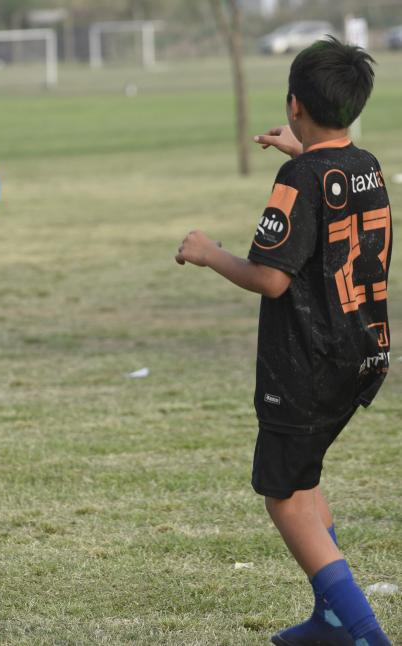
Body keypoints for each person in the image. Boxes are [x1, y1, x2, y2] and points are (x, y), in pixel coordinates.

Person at [176, 38, 392, 646]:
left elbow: (271, 277)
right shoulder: (366, 164)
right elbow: (336, 184)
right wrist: (303, 151)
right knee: (306, 478)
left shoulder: (299, 177)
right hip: (363, 351)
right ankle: (329, 621)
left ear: (294, 102)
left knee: (284, 497)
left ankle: (364, 635)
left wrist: (208, 253)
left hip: (306, 363)